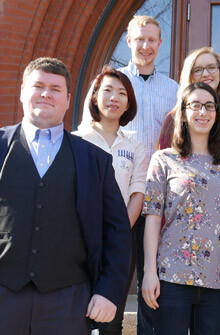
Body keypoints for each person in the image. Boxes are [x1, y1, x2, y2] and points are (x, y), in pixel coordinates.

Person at [0, 57, 132, 334]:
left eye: (55, 89)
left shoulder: (95, 161)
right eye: (38, 86)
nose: (46, 93)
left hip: (67, 304)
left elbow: (117, 233)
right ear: (22, 92)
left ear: (68, 100)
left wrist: (108, 291)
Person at [81, 15, 179, 335]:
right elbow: (88, 132)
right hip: (118, 196)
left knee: (153, 281)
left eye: (152, 40)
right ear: (128, 40)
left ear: (160, 43)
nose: (146, 46)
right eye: (140, 39)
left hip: (159, 200)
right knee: (115, 279)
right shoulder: (112, 83)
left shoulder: (172, 89)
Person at [156, 47, 220, 332]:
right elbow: (162, 192)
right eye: (198, 69)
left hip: (219, 242)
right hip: (175, 254)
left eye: (211, 68)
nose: (205, 74)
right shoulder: (172, 124)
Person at [141, 82, 220, 335]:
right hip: (171, 278)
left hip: (215, 283)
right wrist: (149, 271)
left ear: (217, 114)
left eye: (209, 106)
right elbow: (153, 219)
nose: (202, 112)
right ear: (184, 113)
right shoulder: (164, 159)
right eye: (195, 105)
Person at [74, 65, 146, 335]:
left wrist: (117, 234)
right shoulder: (76, 140)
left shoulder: (134, 146)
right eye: (107, 91)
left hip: (118, 244)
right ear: (94, 96)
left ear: (129, 103)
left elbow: (137, 192)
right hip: (78, 242)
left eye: (122, 93)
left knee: (110, 319)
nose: (114, 98)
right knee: (75, 311)